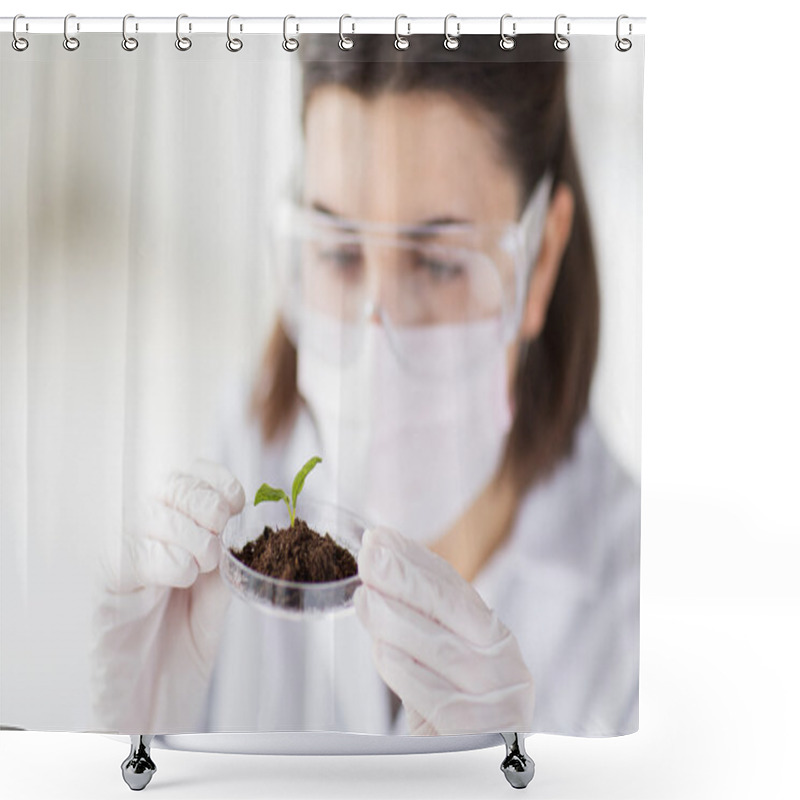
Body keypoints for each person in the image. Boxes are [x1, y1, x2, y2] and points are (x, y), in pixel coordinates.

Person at [90, 34, 639, 739]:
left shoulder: (637, 620)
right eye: (340, 250)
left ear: (542, 257)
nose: (376, 345)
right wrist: (125, 747)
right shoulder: (243, 457)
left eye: (440, 263)